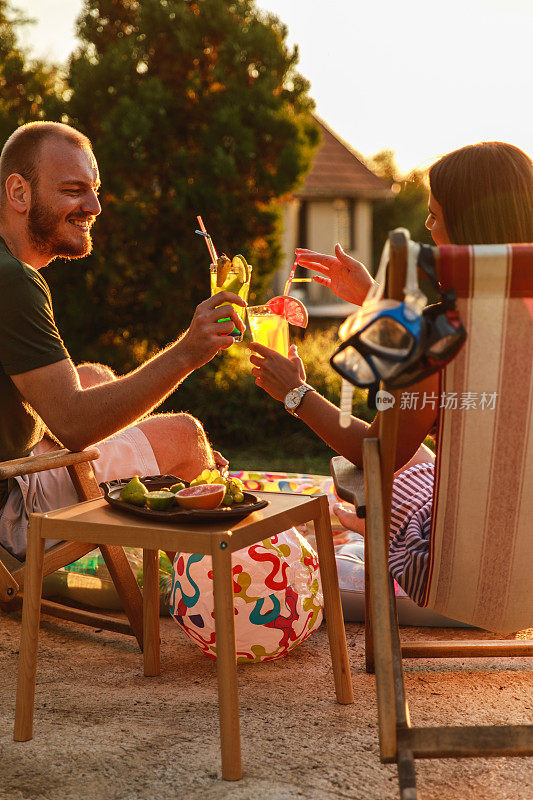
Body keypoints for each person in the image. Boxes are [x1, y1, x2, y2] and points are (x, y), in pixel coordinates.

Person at [249, 140, 533, 603]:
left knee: (386, 479)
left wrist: (295, 393)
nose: (427, 227)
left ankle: (364, 526)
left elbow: (374, 456)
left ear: (467, 231)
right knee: (422, 462)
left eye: (436, 216)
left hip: (460, 571)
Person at [0, 121, 246, 559]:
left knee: (93, 375)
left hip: (10, 461)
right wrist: (188, 352)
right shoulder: (12, 282)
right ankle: (209, 598)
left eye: (95, 189)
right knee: (187, 436)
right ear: (19, 193)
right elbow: (74, 426)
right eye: (74, 189)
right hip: (9, 512)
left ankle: (160, 466)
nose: (94, 205)